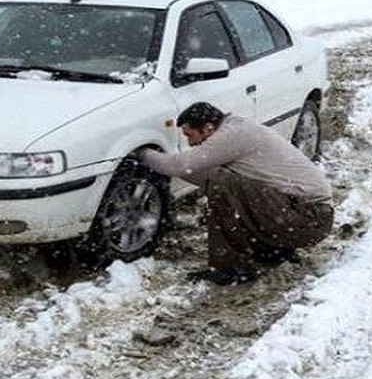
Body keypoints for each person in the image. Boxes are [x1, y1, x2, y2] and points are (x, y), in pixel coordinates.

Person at [139, 102, 334, 285]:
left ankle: (232, 269)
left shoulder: (230, 137)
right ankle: (272, 249)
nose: (190, 143)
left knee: (222, 184)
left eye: (190, 135)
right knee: (232, 183)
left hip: (308, 219)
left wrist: (141, 154)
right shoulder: (236, 127)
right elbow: (195, 171)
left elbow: (181, 166)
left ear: (207, 128)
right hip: (303, 214)